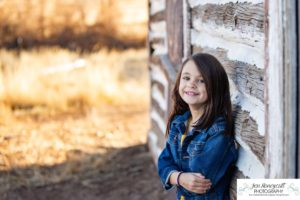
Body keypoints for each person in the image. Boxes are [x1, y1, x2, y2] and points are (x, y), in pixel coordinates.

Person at [157, 53, 239, 200]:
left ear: (215, 87)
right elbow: (163, 162)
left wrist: (174, 175)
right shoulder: (179, 123)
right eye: (186, 78)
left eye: (201, 80)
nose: (191, 84)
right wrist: (180, 178)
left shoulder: (217, 133)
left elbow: (197, 185)